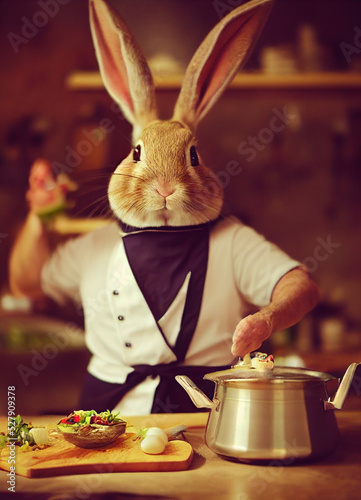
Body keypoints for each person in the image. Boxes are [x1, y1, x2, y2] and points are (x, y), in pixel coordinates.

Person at [8, 158, 321, 415]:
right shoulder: (96, 244)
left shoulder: (233, 241)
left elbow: (301, 286)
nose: (163, 187)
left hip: (206, 420)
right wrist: (39, 217)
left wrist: (267, 319)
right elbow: (27, 285)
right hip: (101, 423)